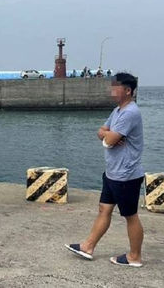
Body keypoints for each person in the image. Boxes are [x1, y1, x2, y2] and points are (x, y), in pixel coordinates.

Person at [65, 73, 145, 267]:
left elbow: (108, 140)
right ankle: (88, 246)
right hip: (112, 172)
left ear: (128, 90)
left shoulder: (130, 113)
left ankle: (135, 256)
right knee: (104, 209)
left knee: (130, 215)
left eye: (116, 86)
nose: (112, 89)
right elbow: (101, 132)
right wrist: (109, 135)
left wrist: (109, 136)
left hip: (126, 175)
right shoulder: (117, 110)